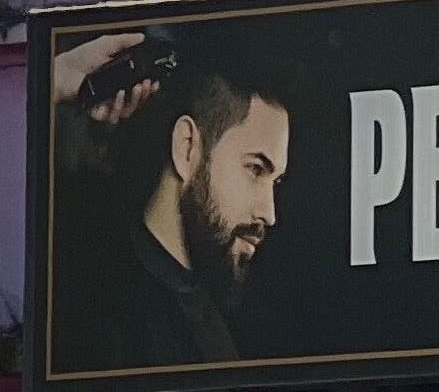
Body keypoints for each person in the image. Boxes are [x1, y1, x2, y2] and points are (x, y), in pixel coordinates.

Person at [49, 31, 291, 371]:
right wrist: (53, 80)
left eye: (275, 180)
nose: (269, 212)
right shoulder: (84, 299)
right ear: (187, 147)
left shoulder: (211, 323)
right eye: (255, 169)